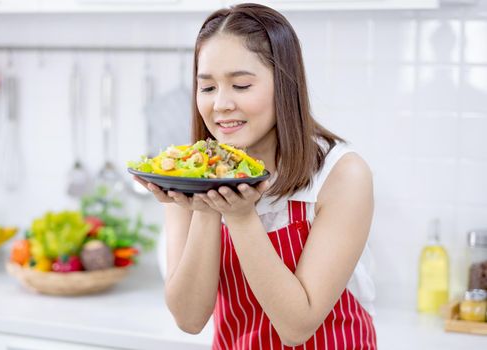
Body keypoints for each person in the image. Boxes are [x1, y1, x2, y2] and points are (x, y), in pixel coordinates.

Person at [134, 3, 377, 349]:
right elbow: (189, 319)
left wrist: (240, 215)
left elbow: (297, 327)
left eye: (242, 85)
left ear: (285, 85)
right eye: (207, 88)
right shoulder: (188, 173)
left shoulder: (342, 175)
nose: (220, 104)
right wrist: (205, 204)